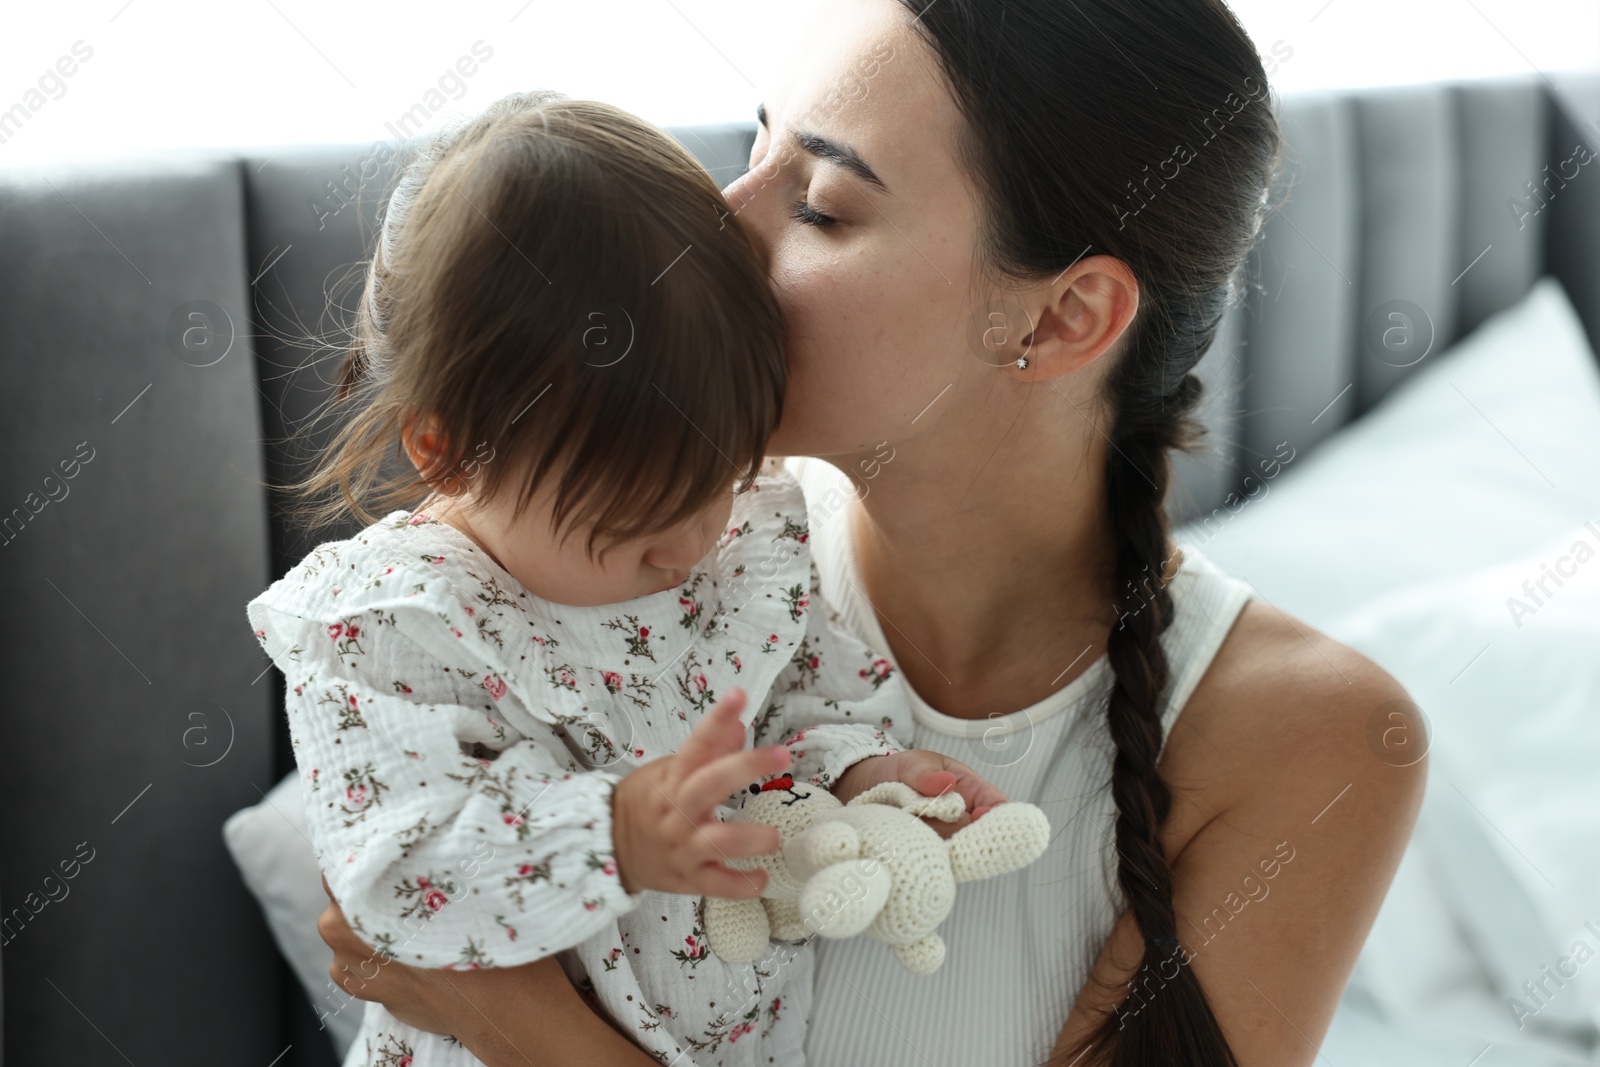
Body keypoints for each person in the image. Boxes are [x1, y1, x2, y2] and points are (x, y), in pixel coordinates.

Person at [311, 1, 1428, 1064]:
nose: (720, 219)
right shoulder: (621, 549)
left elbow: (433, 962)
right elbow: (394, 873)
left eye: (822, 205)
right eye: (754, 144)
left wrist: (505, 1015)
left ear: (1059, 316)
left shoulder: (1316, 742)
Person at [249, 90, 1008, 1066]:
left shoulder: (739, 542)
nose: (690, 545)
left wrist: (863, 772)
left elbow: (806, 701)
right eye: (633, 520)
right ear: (449, 451)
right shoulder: (388, 626)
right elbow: (395, 879)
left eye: (720, 480)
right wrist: (609, 832)